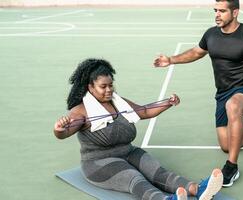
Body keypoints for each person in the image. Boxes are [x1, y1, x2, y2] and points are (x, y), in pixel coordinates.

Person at [153, 0, 243, 188]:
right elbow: (196, 53)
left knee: (233, 105)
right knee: (227, 145)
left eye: (222, 11)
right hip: (222, 93)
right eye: (215, 10)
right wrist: (171, 60)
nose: (217, 14)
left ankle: (232, 167)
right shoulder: (211, 34)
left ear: (235, 13)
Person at [53, 58, 223, 200]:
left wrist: (168, 103)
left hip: (128, 152)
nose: (109, 90)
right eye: (103, 86)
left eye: (111, 85)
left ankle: (196, 189)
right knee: (134, 178)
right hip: (99, 162)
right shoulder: (81, 111)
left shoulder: (118, 102)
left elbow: (145, 111)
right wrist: (60, 129)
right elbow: (65, 132)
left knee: (157, 171)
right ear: (90, 87)